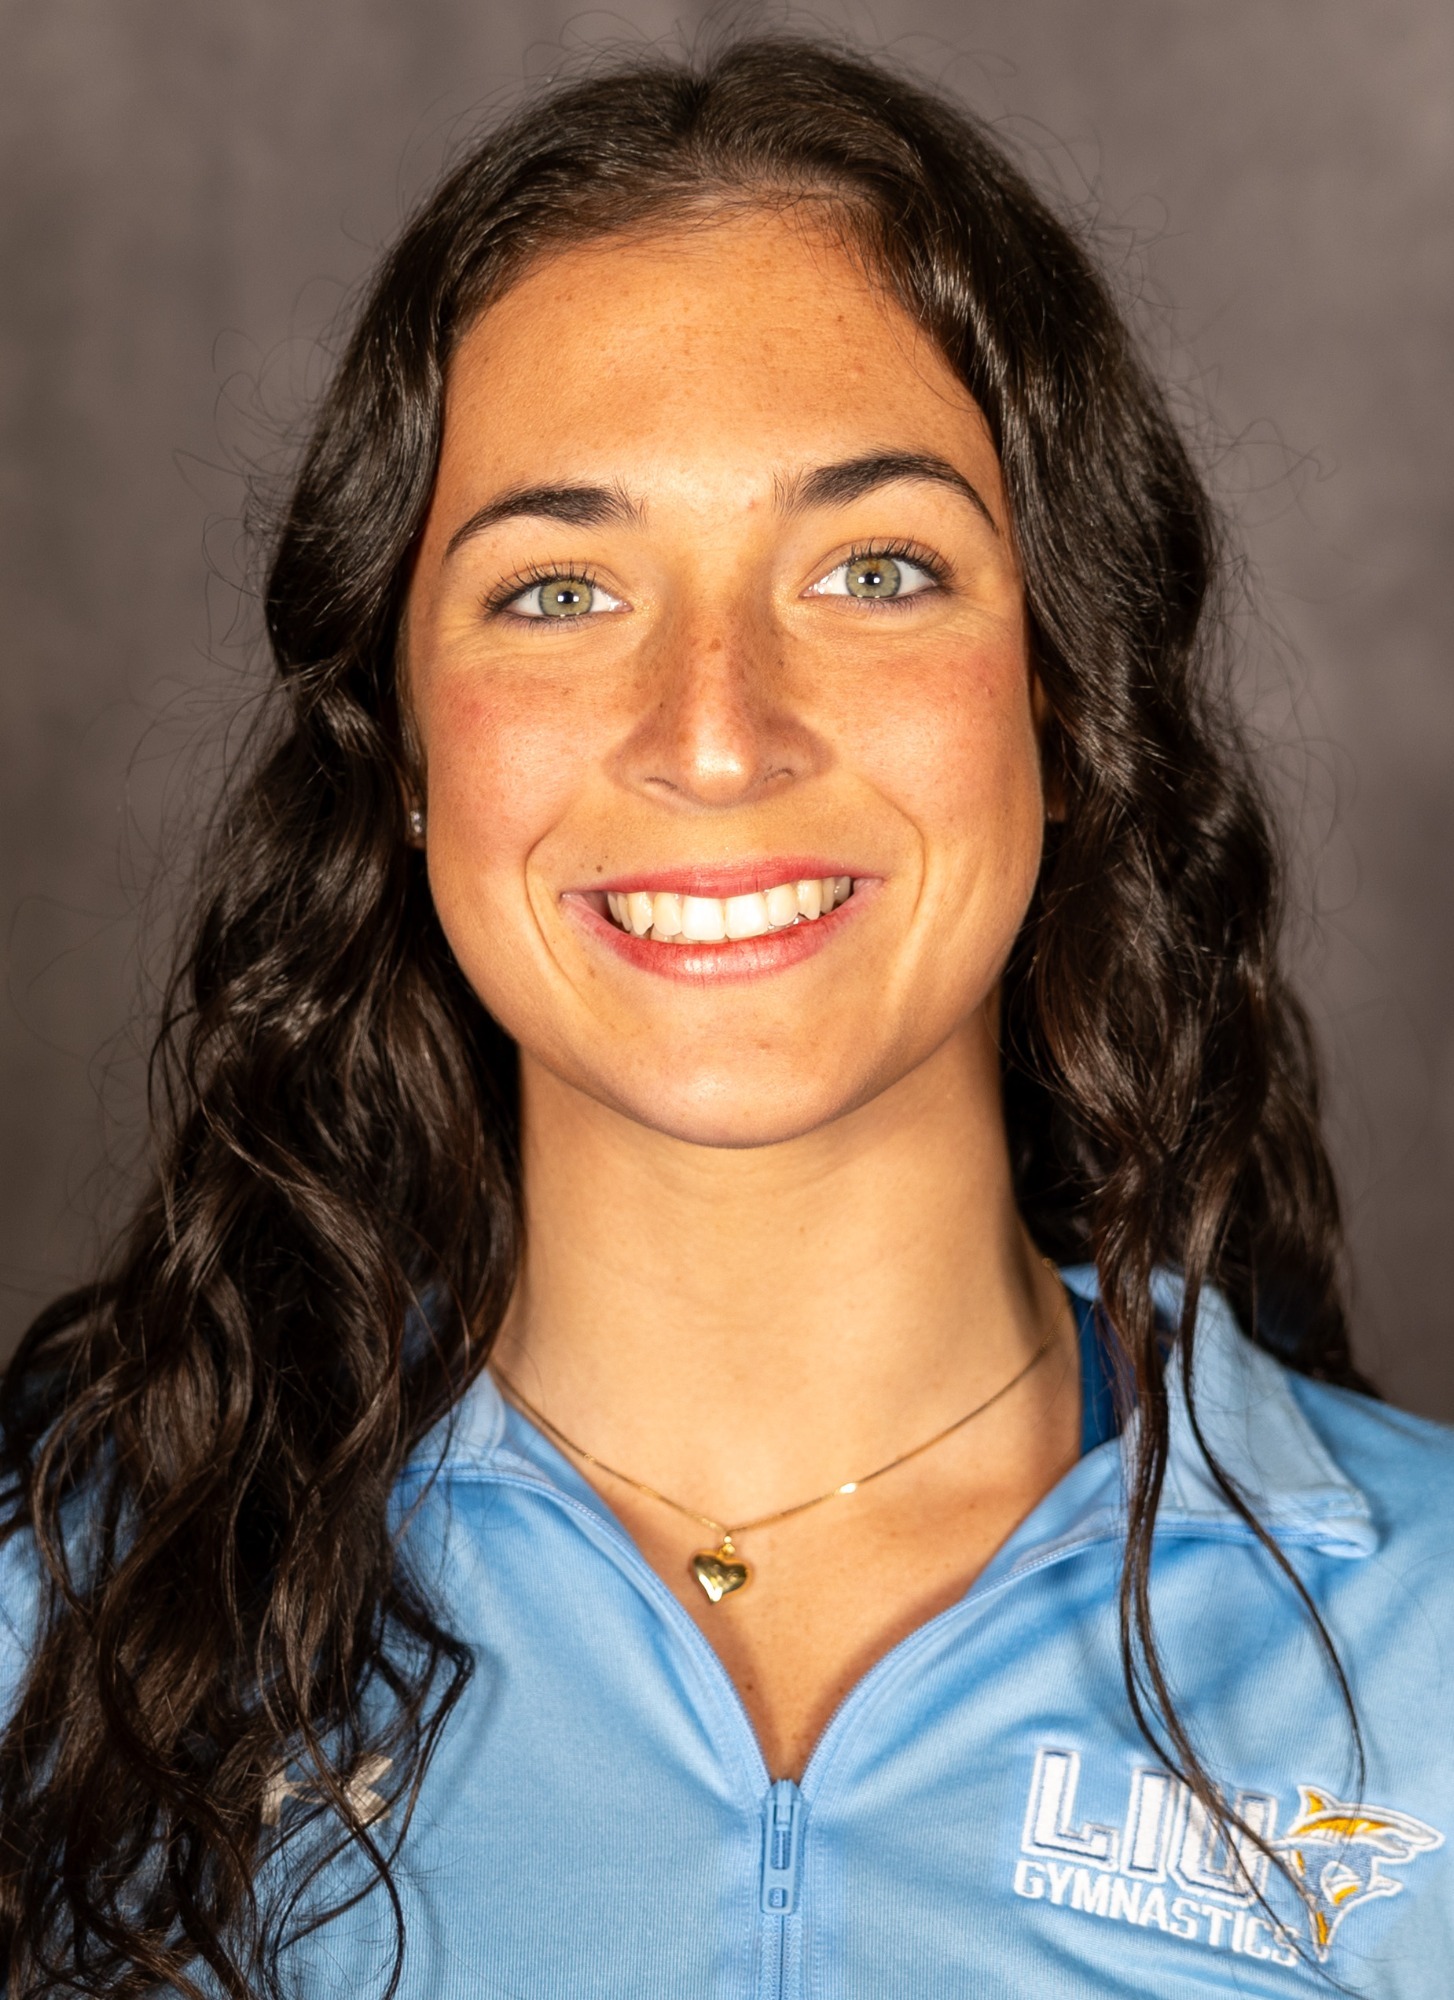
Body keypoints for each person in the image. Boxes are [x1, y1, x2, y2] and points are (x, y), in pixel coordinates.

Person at [1, 34, 1450, 2000]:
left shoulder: (1429, 1642)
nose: (712, 728)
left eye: (872, 569)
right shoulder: (59, 1624)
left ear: (1060, 695)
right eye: (554, 591)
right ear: (404, 743)